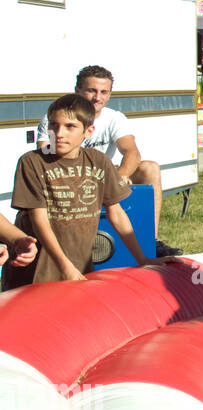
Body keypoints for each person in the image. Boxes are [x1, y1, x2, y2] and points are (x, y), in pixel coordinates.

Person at [3, 95, 155, 291]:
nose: (59, 133)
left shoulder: (99, 161)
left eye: (70, 126)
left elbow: (116, 213)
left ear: (88, 131)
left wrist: (142, 259)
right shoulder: (32, 162)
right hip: (36, 272)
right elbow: (38, 219)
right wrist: (65, 267)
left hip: (79, 267)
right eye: (54, 125)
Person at [36, 65, 181, 257]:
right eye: (91, 90)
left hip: (105, 176)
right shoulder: (55, 117)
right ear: (77, 90)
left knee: (150, 168)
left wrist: (119, 177)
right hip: (66, 177)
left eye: (104, 92)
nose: (98, 97)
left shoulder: (114, 118)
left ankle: (150, 240)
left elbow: (132, 152)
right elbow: (45, 155)